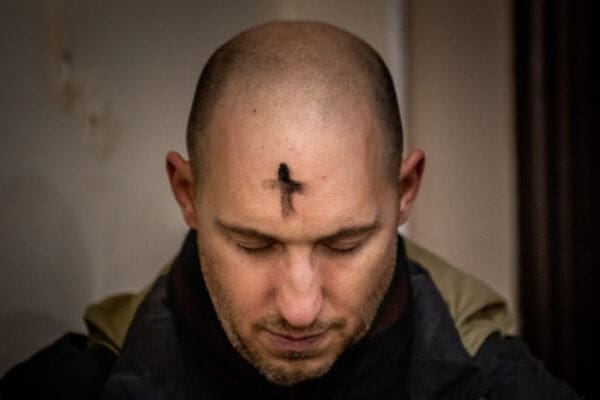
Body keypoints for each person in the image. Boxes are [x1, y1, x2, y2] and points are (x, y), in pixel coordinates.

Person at [1, 21, 580, 399]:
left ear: (405, 191)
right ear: (187, 194)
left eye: (344, 244)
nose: (300, 309)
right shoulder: (75, 388)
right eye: (254, 245)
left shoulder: (498, 385)